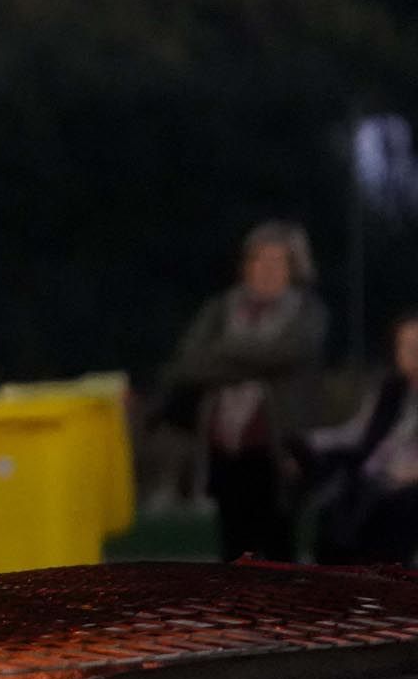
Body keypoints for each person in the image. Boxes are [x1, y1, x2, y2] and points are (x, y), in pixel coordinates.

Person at [160, 220, 327, 562]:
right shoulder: (220, 309)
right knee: (234, 549)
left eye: (276, 262)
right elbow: (189, 363)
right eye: (258, 261)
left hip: (279, 447)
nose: (266, 270)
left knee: (279, 547)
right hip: (225, 446)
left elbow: (289, 353)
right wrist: (252, 360)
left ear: (292, 269)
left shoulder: (307, 312)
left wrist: (223, 353)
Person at [297, 312, 418, 566]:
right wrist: (307, 441)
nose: (413, 353)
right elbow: (357, 431)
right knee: (337, 501)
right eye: (406, 346)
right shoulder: (390, 389)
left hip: (405, 486)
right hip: (374, 479)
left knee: (394, 509)